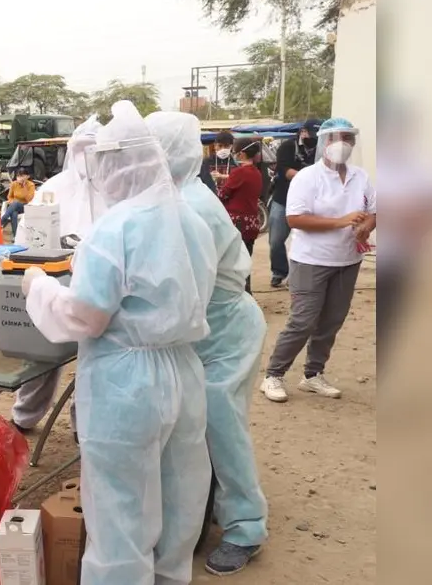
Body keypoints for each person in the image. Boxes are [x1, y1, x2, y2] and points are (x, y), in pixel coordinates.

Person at [22, 101, 217, 584]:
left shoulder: (117, 226)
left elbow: (86, 316)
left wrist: (38, 288)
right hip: (184, 372)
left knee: (119, 512)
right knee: (178, 502)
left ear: (116, 164)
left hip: (125, 383)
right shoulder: (192, 219)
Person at [147, 111, 269, 576]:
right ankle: (203, 513)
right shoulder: (174, 196)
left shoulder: (191, 205)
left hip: (226, 333)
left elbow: (177, 288)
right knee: (191, 429)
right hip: (205, 332)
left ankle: (246, 526)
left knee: (222, 423)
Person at [260, 118, 376, 403]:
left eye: (348, 138)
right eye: (337, 138)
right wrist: (340, 222)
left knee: (331, 321)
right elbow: (295, 218)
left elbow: (374, 210)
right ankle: (273, 374)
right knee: (303, 321)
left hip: (347, 260)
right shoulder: (307, 177)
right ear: (323, 142)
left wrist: (367, 226)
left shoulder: (360, 176)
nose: (343, 144)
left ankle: (313, 374)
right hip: (311, 260)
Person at [10, 116, 102, 440]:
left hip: (98, 291)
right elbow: (24, 237)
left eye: (96, 150)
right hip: (50, 281)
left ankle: (85, 425)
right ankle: (24, 415)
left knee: (94, 363)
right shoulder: (53, 189)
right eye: (83, 150)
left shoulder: (115, 191)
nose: (89, 158)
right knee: (44, 356)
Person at [269, 120, 322, 287]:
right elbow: (284, 170)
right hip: (283, 199)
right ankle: (279, 271)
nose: (312, 139)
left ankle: (304, 275)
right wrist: (307, 178)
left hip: (310, 202)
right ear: (302, 131)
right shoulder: (288, 147)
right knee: (276, 240)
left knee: (307, 240)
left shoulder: (321, 149)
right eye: (310, 135)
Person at [218, 139, 263, 293]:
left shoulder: (239, 173)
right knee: (246, 261)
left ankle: (239, 295)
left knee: (234, 264)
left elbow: (223, 195)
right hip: (251, 224)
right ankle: (247, 292)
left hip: (237, 225)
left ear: (241, 154)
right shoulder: (256, 173)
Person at [0, 167, 35, 235]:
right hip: (14, 206)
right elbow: (9, 197)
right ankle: (15, 235)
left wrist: (24, 187)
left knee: (16, 204)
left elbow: (29, 200)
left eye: (22, 176)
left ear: (27, 176)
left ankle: (3, 219)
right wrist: (12, 202)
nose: (20, 177)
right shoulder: (14, 184)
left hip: (25, 206)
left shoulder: (31, 185)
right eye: (18, 176)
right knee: (14, 213)